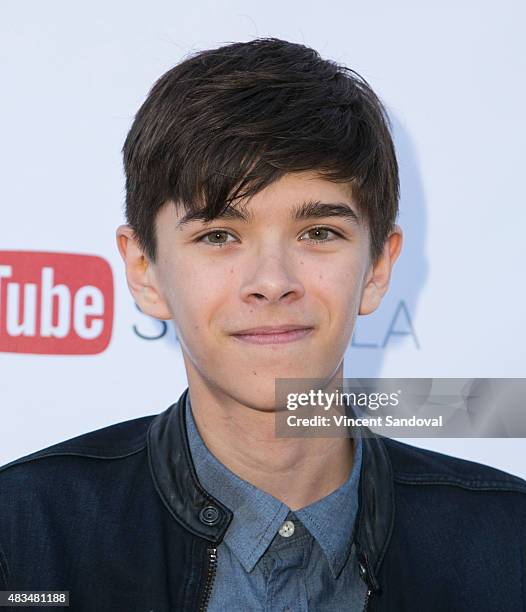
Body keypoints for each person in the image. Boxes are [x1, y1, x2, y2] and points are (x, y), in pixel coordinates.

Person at [1, 37, 525, 612]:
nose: (272, 281)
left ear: (377, 267)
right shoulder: (27, 538)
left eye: (319, 233)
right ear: (144, 269)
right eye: (219, 236)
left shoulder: (507, 543)